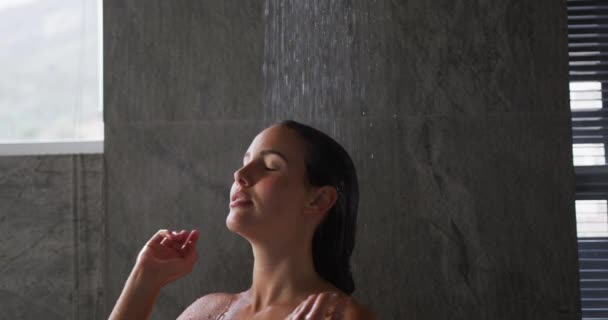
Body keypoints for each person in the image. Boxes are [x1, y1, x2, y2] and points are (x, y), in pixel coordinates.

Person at [109, 120, 377, 320]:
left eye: (271, 165)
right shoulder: (207, 311)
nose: (240, 174)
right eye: (245, 161)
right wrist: (144, 281)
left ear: (317, 201)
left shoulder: (340, 316)